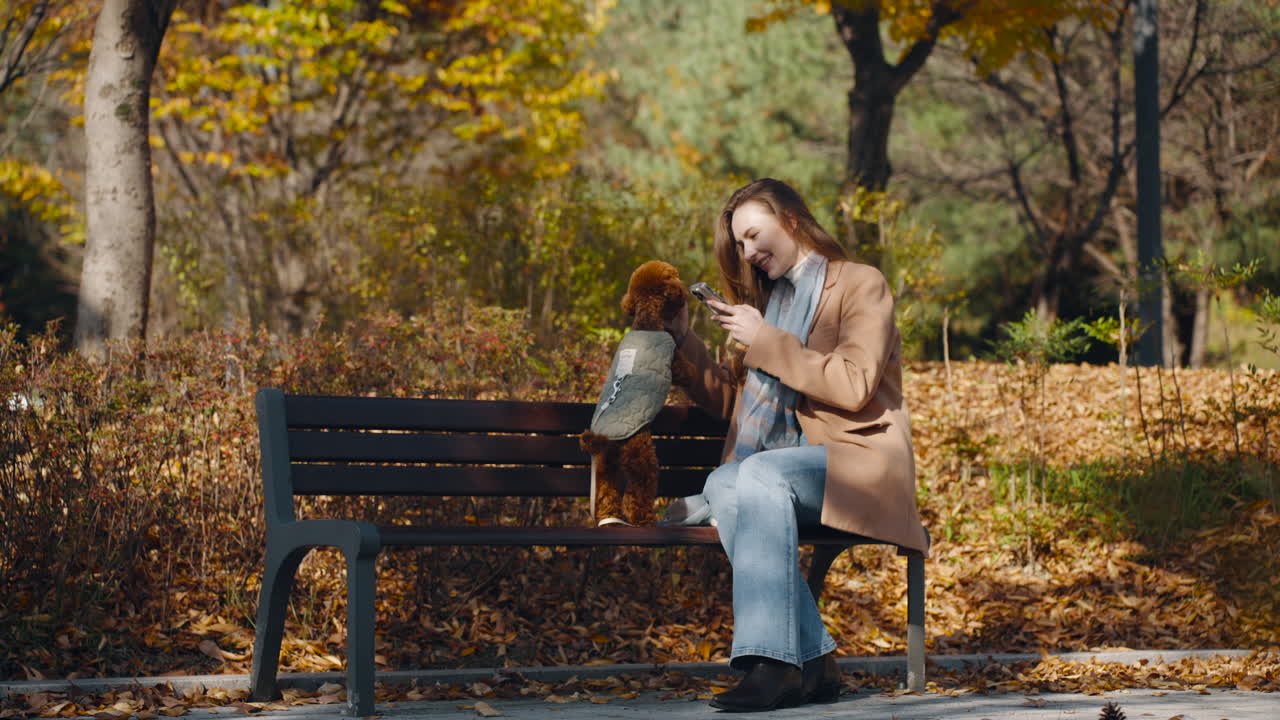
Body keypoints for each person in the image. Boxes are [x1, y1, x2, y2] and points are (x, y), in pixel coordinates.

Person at [665, 178, 930, 712]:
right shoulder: (770, 306)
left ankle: (773, 663)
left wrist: (765, 341)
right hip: (794, 477)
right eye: (740, 244)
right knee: (726, 481)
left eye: (754, 235)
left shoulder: (860, 285)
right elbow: (733, 403)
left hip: (861, 466)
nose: (748, 252)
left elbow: (855, 383)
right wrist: (682, 337)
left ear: (790, 219)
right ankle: (812, 661)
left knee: (757, 475)